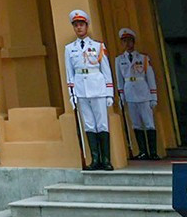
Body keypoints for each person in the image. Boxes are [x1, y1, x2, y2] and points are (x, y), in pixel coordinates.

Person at [64, 9, 115, 171]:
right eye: (76, 25)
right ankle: (95, 159)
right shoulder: (69, 48)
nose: (79, 28)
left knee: (102, 124)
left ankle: (106, 159)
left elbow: (106, 70)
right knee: (89, 125)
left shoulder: (98, 46)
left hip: (97, 87)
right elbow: (69, 72)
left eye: (81, 25)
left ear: (86, 26)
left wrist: (109, 92)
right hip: (81, 89)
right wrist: (72, 94)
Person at [115, 28, 160, 161]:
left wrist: (153, 96)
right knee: (136, 124)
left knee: (149, 123)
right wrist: (121, 96)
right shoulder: (119, 60)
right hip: (130, 93)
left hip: (144, 92)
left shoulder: (143, 58)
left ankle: (153, 152)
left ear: (133, 42)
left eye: (129, 40)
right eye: (124, 41)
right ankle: (142, 152)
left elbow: (150, 78)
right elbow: (119, 79)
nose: (127, 44)